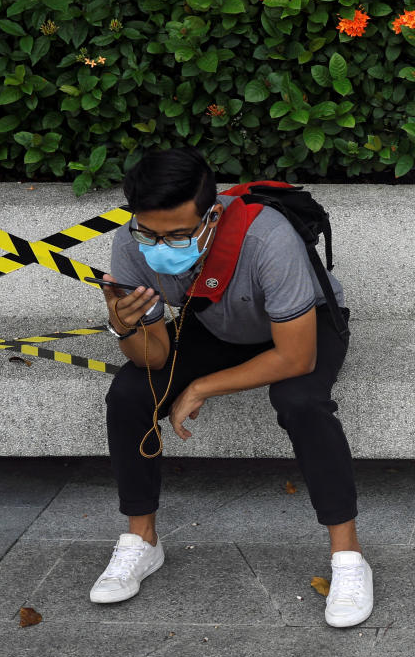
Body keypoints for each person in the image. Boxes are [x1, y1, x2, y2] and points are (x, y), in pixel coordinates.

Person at [88, 146, 372, 628]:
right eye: (150, 232)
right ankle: (142, 542)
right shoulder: (130, 244)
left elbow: (295, 357)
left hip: (304, 328)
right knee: (132, 391)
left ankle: (348, 558)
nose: (161, 245)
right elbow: (153, 356)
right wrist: (124, 325)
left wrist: (201, 387)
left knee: (299, 398)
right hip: (216, 322)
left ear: (211, 216)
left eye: (178, 234)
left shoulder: (267, 238)